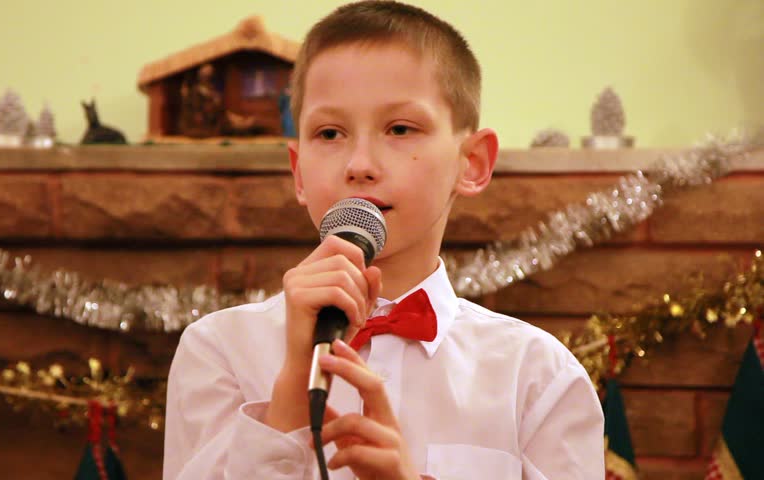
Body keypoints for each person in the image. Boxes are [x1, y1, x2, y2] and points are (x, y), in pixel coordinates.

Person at [163, 1, 604, 478]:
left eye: (399, 128)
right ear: (299, 173)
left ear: (471, 162)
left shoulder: (538, 376)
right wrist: (292, 390)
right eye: (330, 133)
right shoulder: (218, 351)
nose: (359, 164)